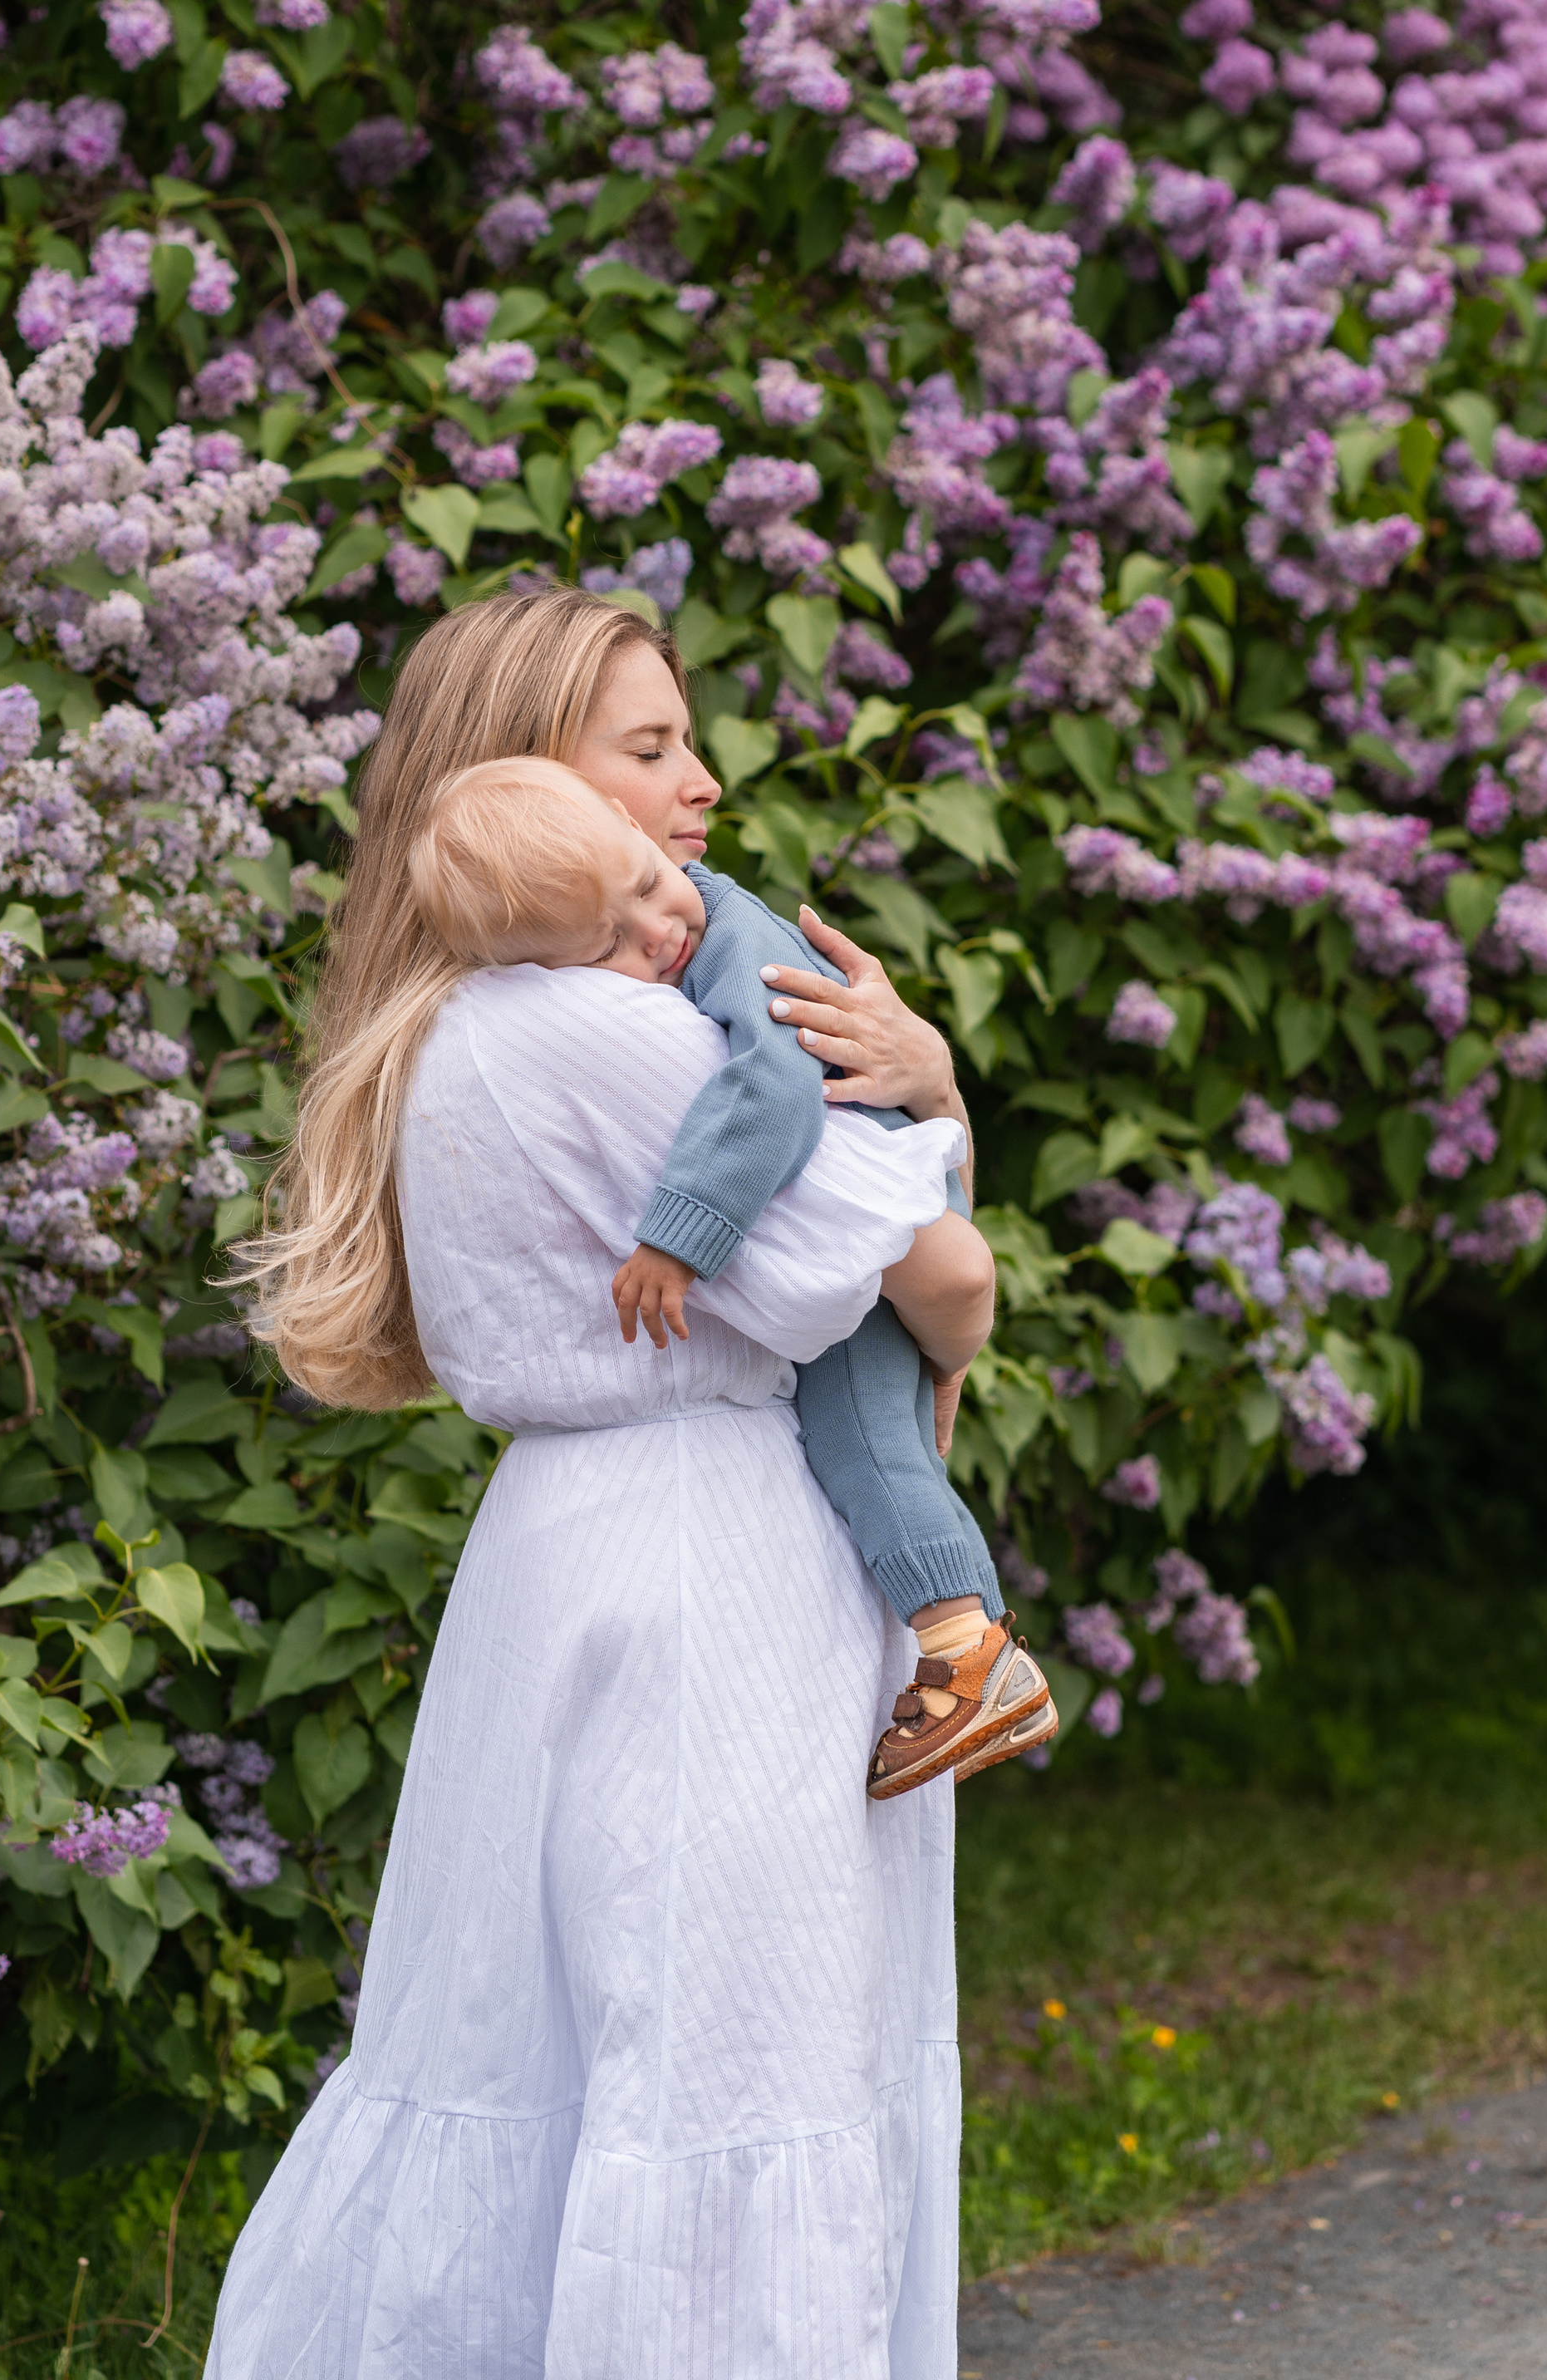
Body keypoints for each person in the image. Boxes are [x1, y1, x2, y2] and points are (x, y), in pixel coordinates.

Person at [214, 588, 986, 2378]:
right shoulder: (611, 1034)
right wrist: (932, 1106)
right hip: (713, 1565)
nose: (697, 788)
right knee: (728, 2046)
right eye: (645, 752)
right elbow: (924, 1278)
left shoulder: (467, 1033)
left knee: (529, 2036)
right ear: (512, 781)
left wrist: (919, 1138)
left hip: (570, 1555)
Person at [406, 749, 1057, 1797]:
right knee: (881, 1447)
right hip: (888, 1218)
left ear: (627, 824)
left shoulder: (733, 933)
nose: (657, 936)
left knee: (866, 1450)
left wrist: (681, 1237)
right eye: (607, 950)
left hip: (885, 1219)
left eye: (646, 894)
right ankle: (966, 1647)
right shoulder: (634, 955)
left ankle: (967, 1652)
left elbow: (774, 1092)